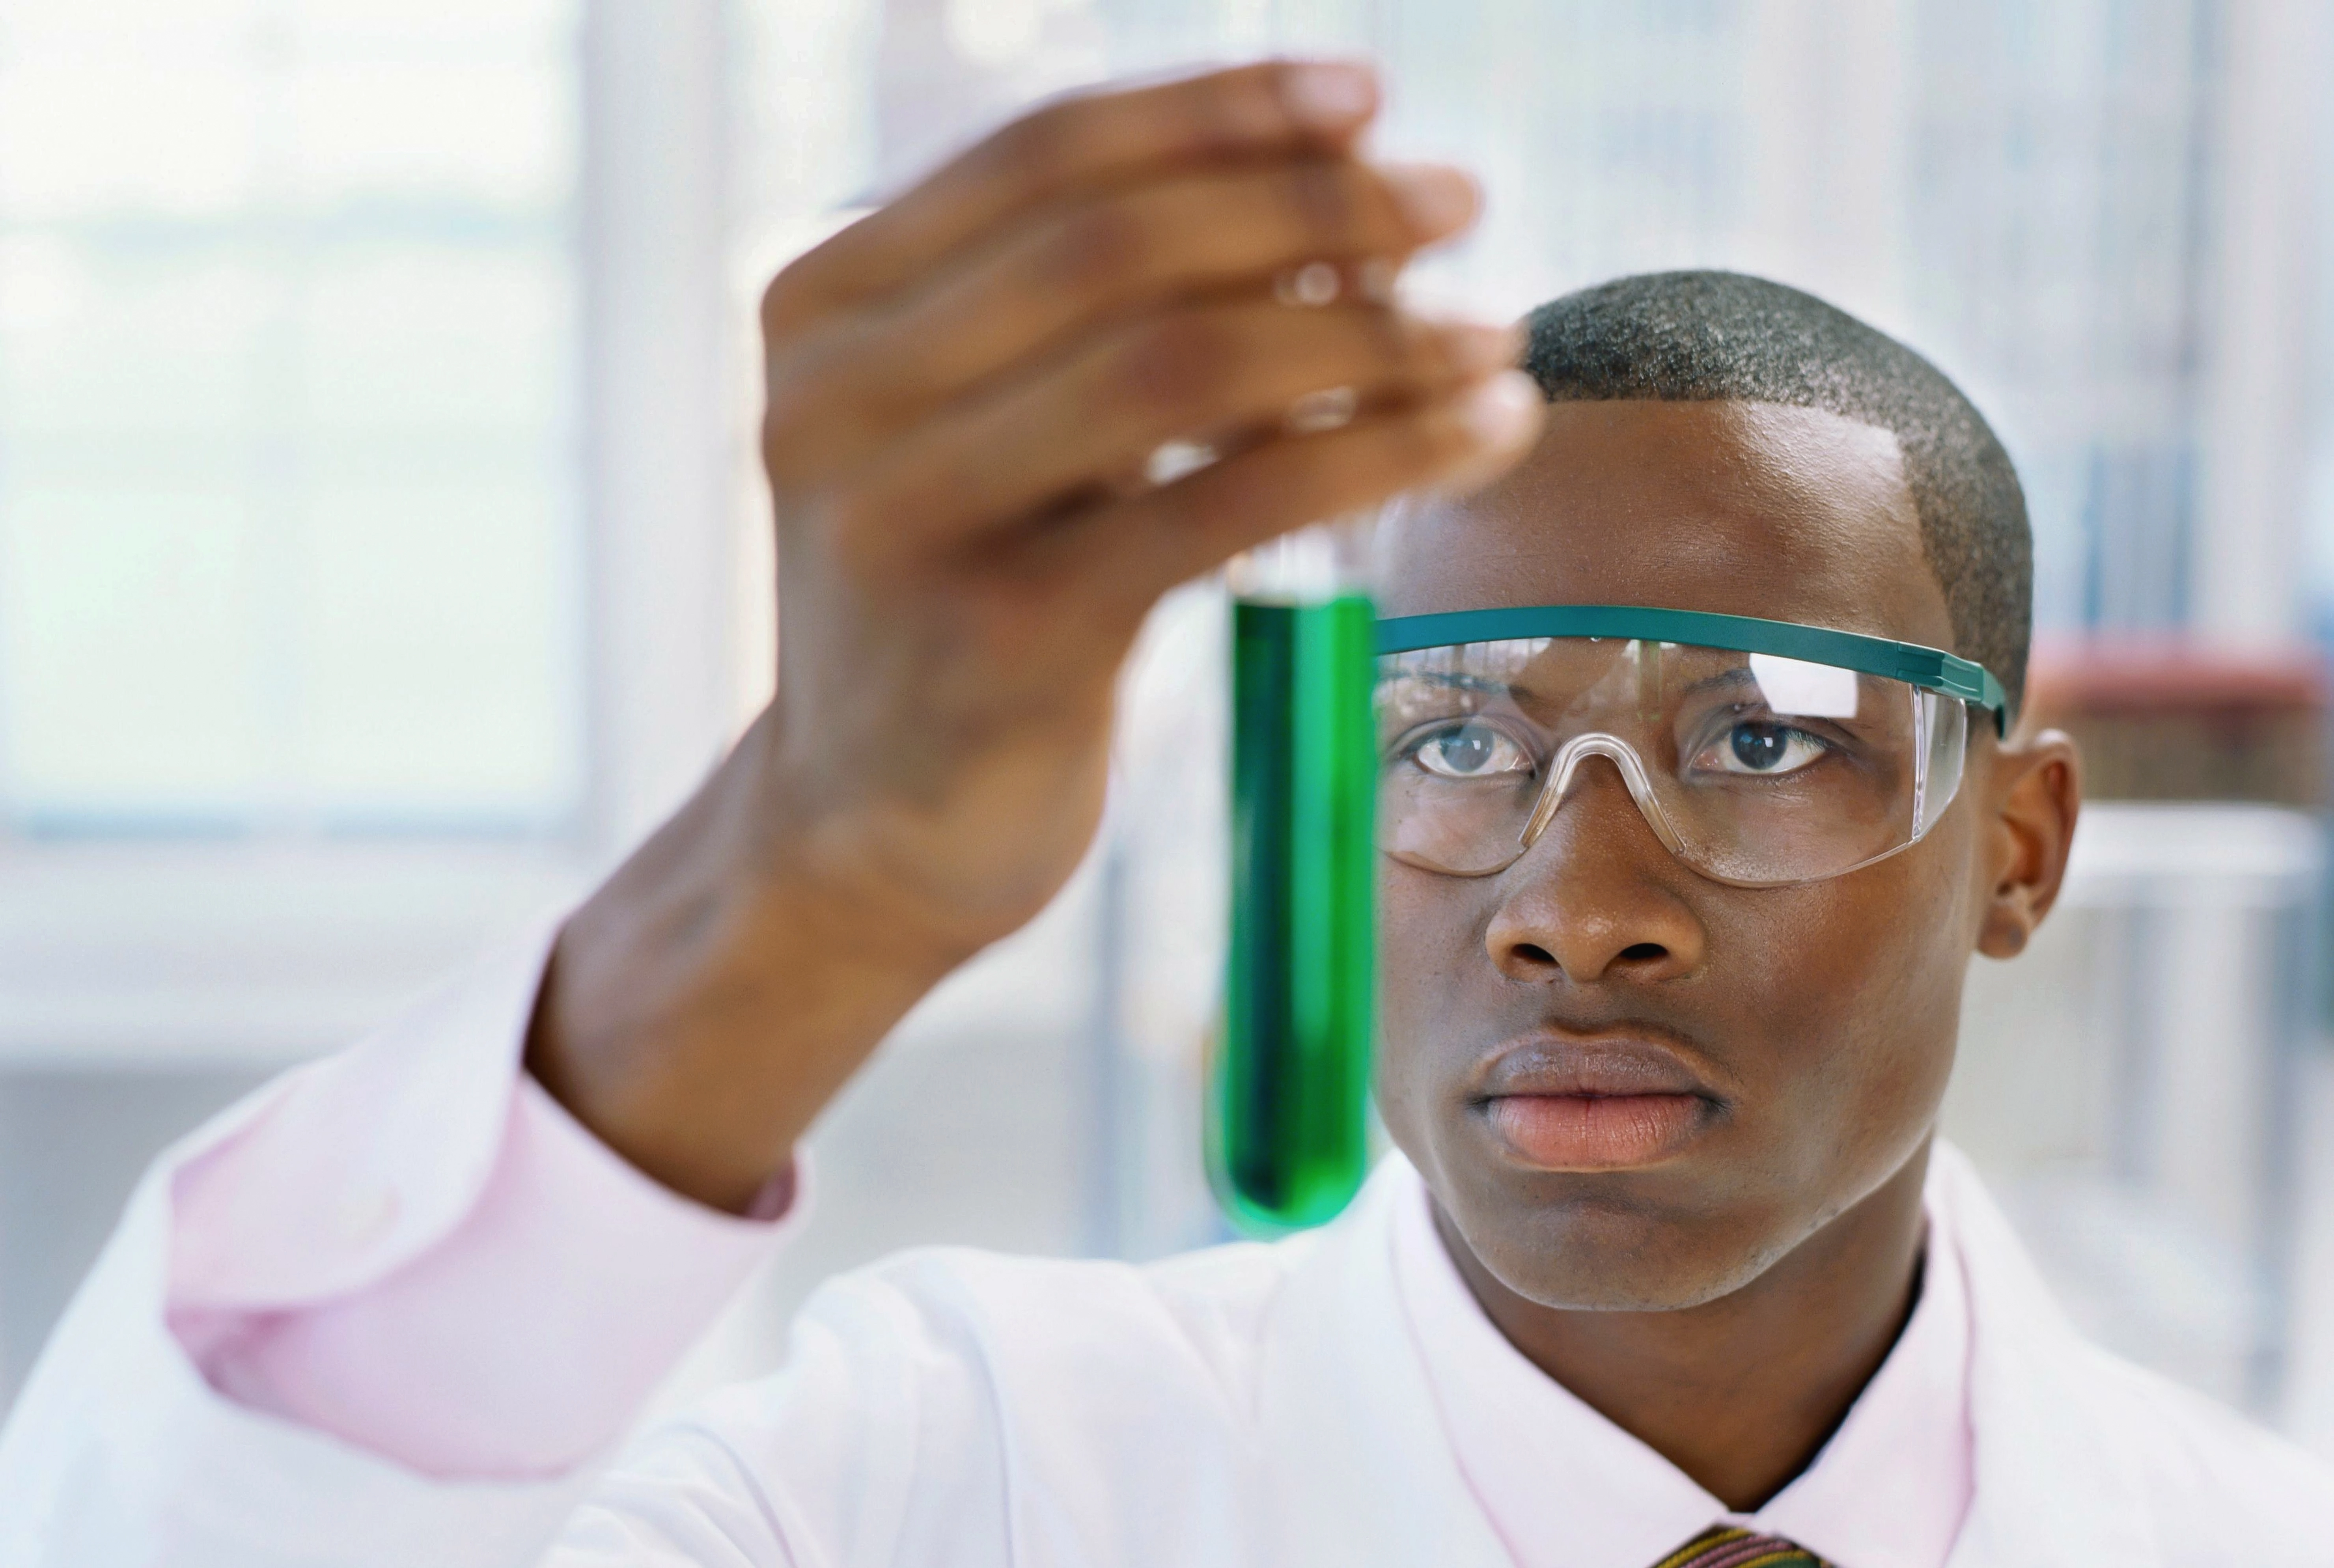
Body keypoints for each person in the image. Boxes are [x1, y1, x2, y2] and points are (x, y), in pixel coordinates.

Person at [1, 59, 2329, 1568]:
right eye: (1451, 741)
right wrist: (808, 879)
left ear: (2017, 840)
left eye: (1757, 739)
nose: (1571, 907)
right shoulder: (945, 1477)